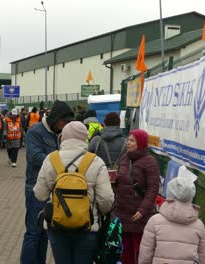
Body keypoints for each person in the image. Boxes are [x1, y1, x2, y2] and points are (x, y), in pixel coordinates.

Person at [33, 121, 114, 264]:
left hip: (57, 226)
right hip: (87, 227)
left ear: (63, 137)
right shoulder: (96, 161)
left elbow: (40, 195)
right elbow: (106, 200)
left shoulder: (51, 159)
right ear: (85, 138)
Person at [20, 100, 74, 264]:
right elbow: (35, 157)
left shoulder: (60, 134)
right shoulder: (35, 132)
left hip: (54, 190)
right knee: (33, 232)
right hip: (35, 189)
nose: (65, 126)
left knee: (45, 232)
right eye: (64, 122)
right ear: (56, 118)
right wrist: (60, 164)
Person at [114, 129, 160, 264]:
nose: (128, 143)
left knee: (141, 251)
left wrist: (143, 210)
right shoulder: (124, 158)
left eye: (132, 140)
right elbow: (120, 179)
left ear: (140, 143)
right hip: (122, 212)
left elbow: (153, 189)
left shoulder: (150, 162)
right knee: (125, 250)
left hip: (138, 215)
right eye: (128, 140)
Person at [138, 177, 205, 264]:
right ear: (192, 195)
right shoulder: (199, 225)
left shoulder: (155, 221)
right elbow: (202, 257)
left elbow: (146, 253)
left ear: (170, 192)